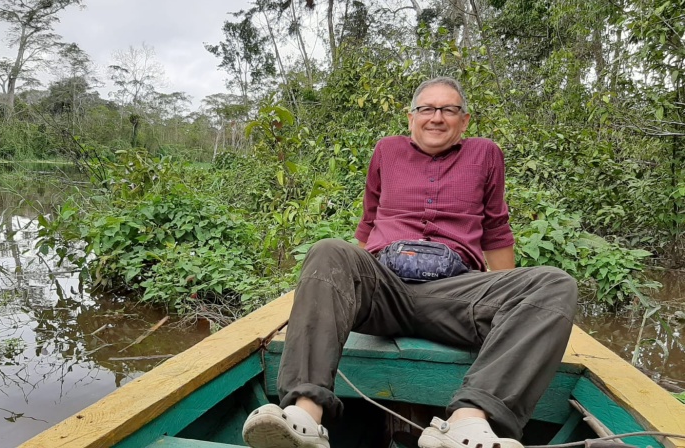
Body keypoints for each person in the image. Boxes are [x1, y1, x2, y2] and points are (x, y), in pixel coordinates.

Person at [242, 77, 578, 448]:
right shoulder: (386, 151)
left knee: (555, 283)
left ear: (464, 121)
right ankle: (306, 416)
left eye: (449, 110)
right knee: (328, 251)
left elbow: (496, 230)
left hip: (453, 294)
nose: (437, 117)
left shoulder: (485, 153)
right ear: (411, 117)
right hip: (384, 287)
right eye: (427, 109)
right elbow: (368, 224)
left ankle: (466, 422)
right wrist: (339, 286)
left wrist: (511, 308)